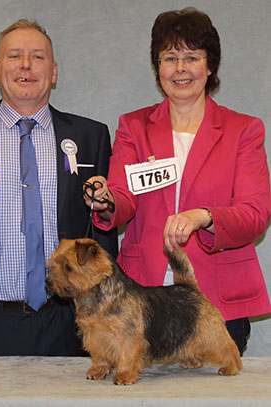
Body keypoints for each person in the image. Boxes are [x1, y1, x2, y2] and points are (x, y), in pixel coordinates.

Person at [83, 7, 271, 355]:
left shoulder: (244, 130)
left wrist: (204, 216)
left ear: (210, 65)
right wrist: (106, 201)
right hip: (144, 301)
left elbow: (255, 213)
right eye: (170, 57)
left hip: (217, 303)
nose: (180, 68)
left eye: (192, 57)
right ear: (158, 66)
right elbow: (123, 196)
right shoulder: (133, 127)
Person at [0, 19, 117, 358]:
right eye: (14, 56)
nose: (25, 65)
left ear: (53, 72)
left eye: (37, 57)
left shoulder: (90, 137)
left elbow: (103, 234)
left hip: (72, 323)